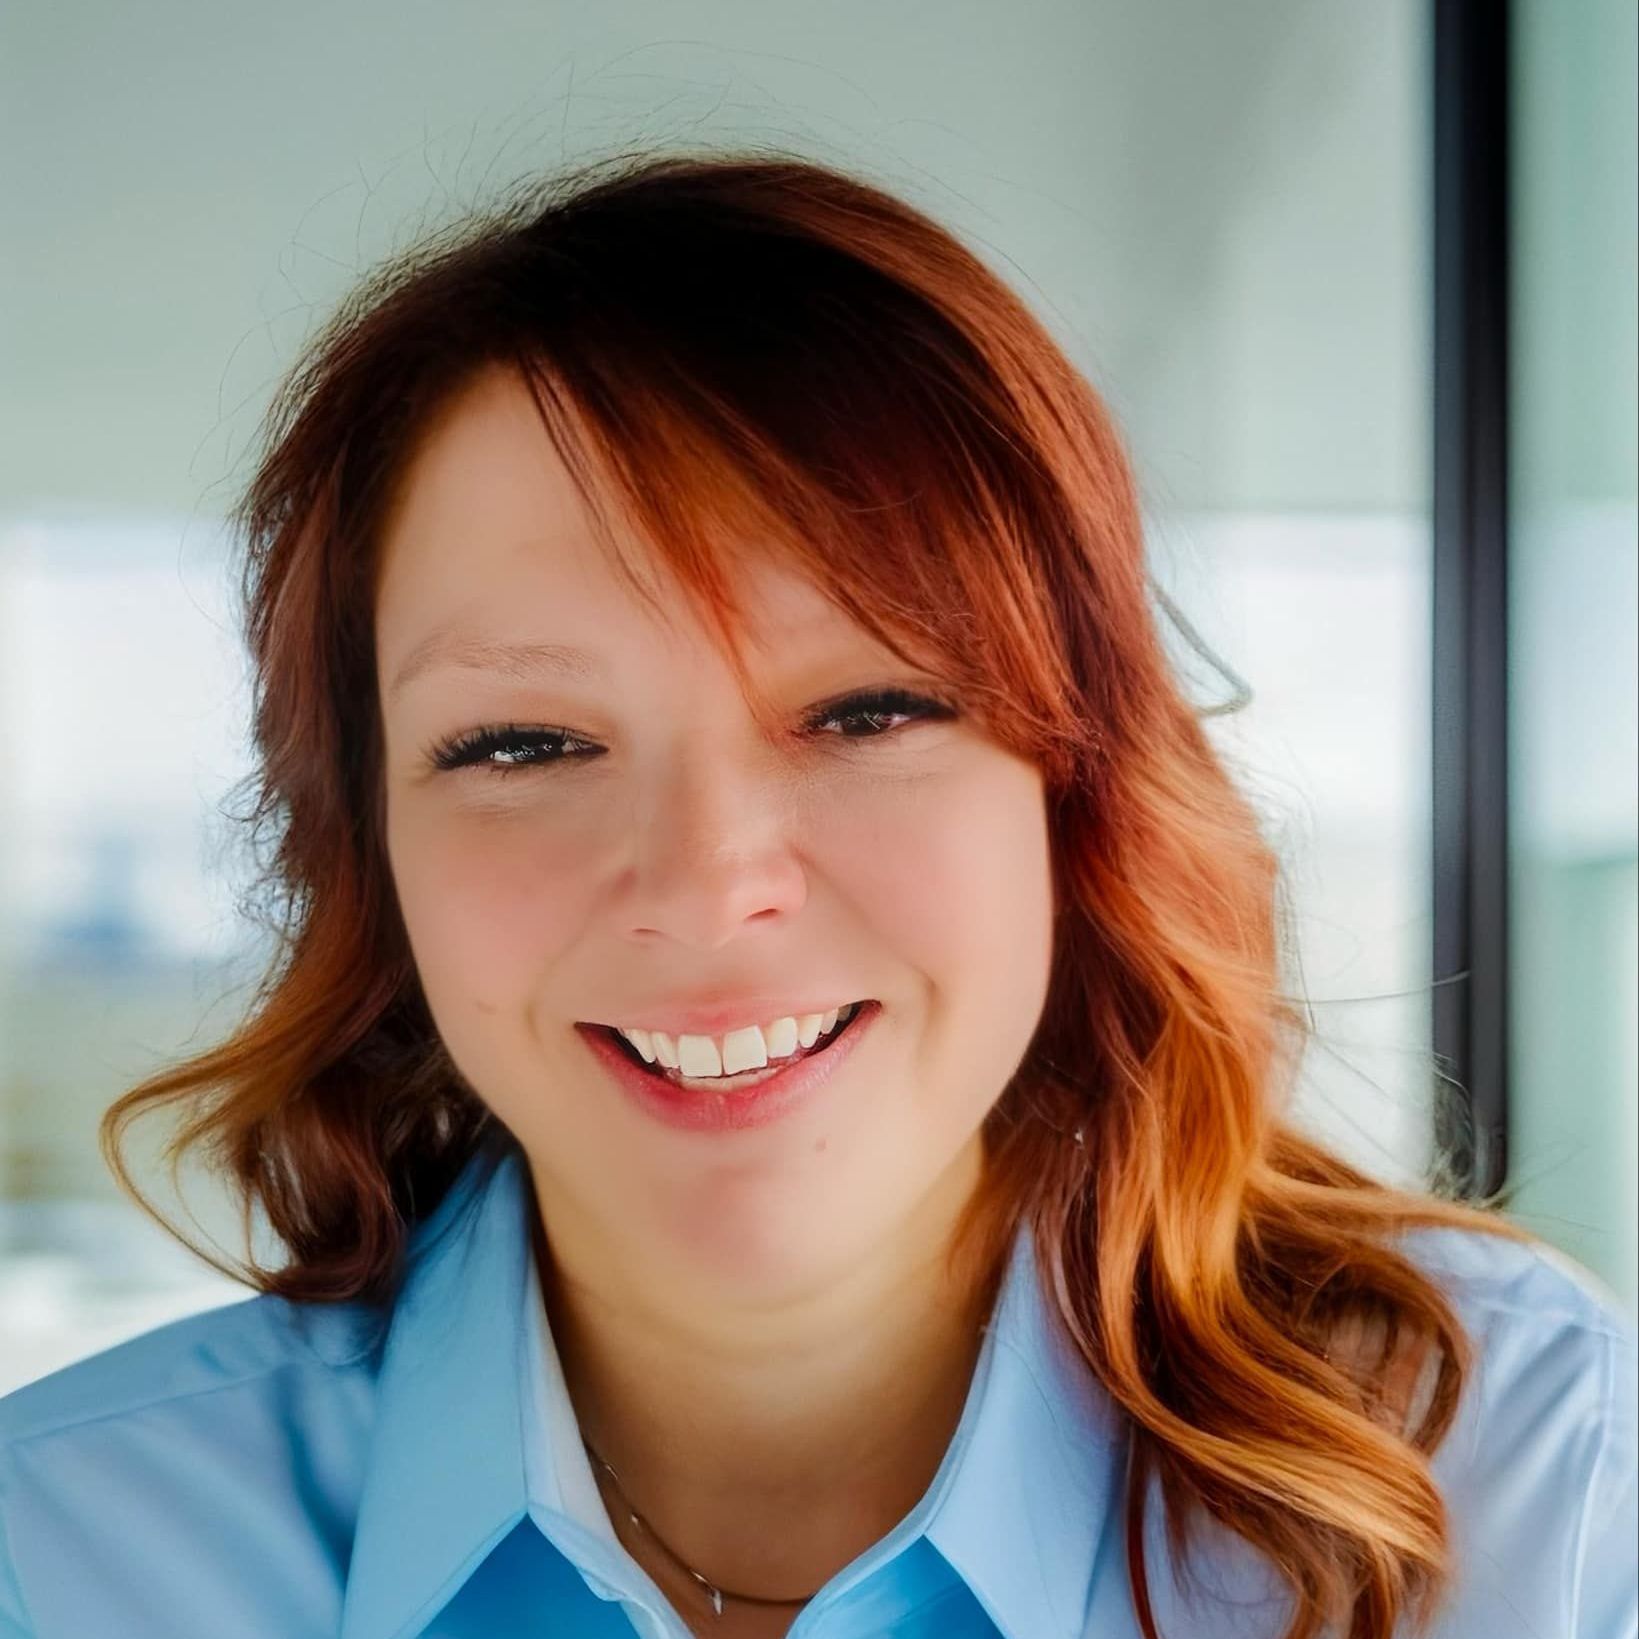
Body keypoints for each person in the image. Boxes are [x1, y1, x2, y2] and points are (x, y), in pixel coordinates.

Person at [0, 148, 1633, 1639]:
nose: (709, 886)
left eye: (868, 712)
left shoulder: (1527, 1483)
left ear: (1077, 790)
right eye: (522, 742)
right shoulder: (63, 1556)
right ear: (368, 855)